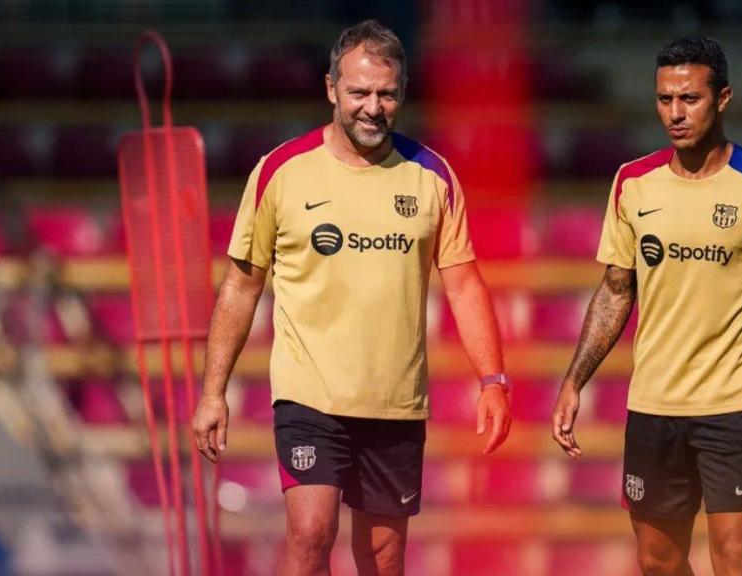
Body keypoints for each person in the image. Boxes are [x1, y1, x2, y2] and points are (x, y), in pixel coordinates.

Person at [191, 20, 511, 576]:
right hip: (309, 395)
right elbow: (242, 285)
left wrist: (492, 379)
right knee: (311, 534)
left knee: (384, 558)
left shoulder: (431, 177)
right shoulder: (281, 172)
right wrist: (212, 390)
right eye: (359, 91)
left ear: (402, 93)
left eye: (386, 93)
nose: (373, 107)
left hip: (395, 400)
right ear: (331, 89)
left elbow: (462, 282)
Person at [551, 36, 742, 576]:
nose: (675, 112)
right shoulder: (632, 182)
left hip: (735, 407)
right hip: (655, 405)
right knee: (657, 562)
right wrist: (575, 381)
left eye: (689, 98)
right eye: (665, 99)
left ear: (722, 99)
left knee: (734, 561)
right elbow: (615, 290)